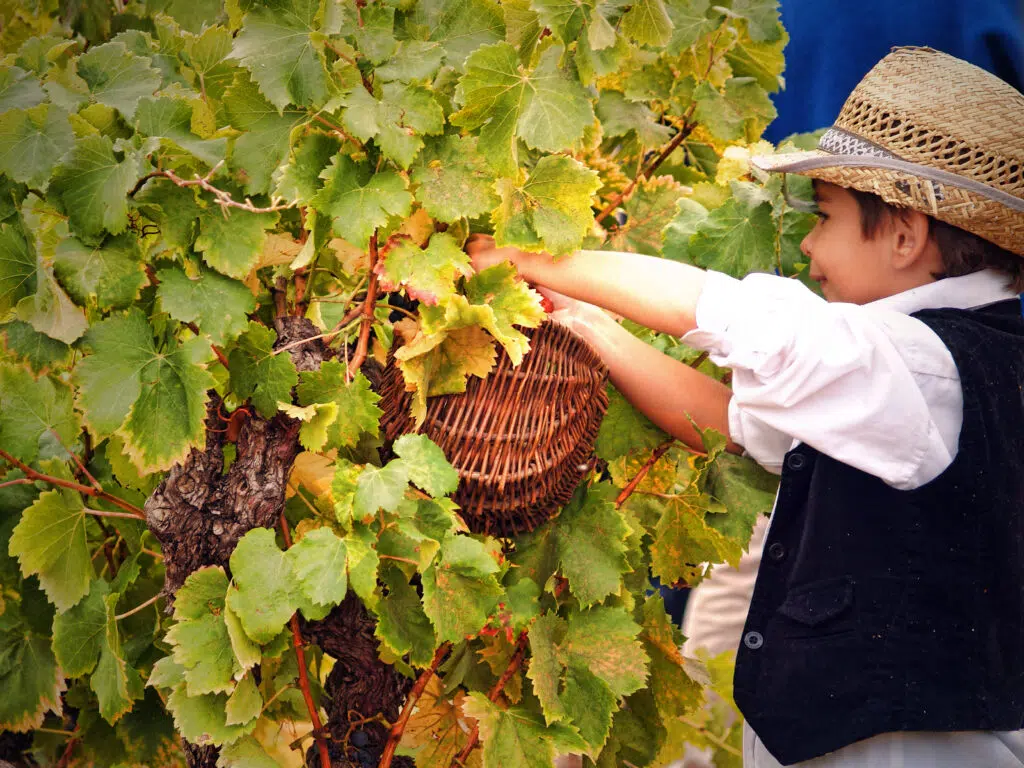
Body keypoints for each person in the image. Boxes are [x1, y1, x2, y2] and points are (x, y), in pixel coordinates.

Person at [466, 47, 1024, 766]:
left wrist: (529, 259)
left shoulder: (919, 367)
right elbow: (731, 424)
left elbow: (740, 317)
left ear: (906, 237)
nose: (809, 245)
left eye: (824, 218)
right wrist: (587, 323)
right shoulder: (928, 372)